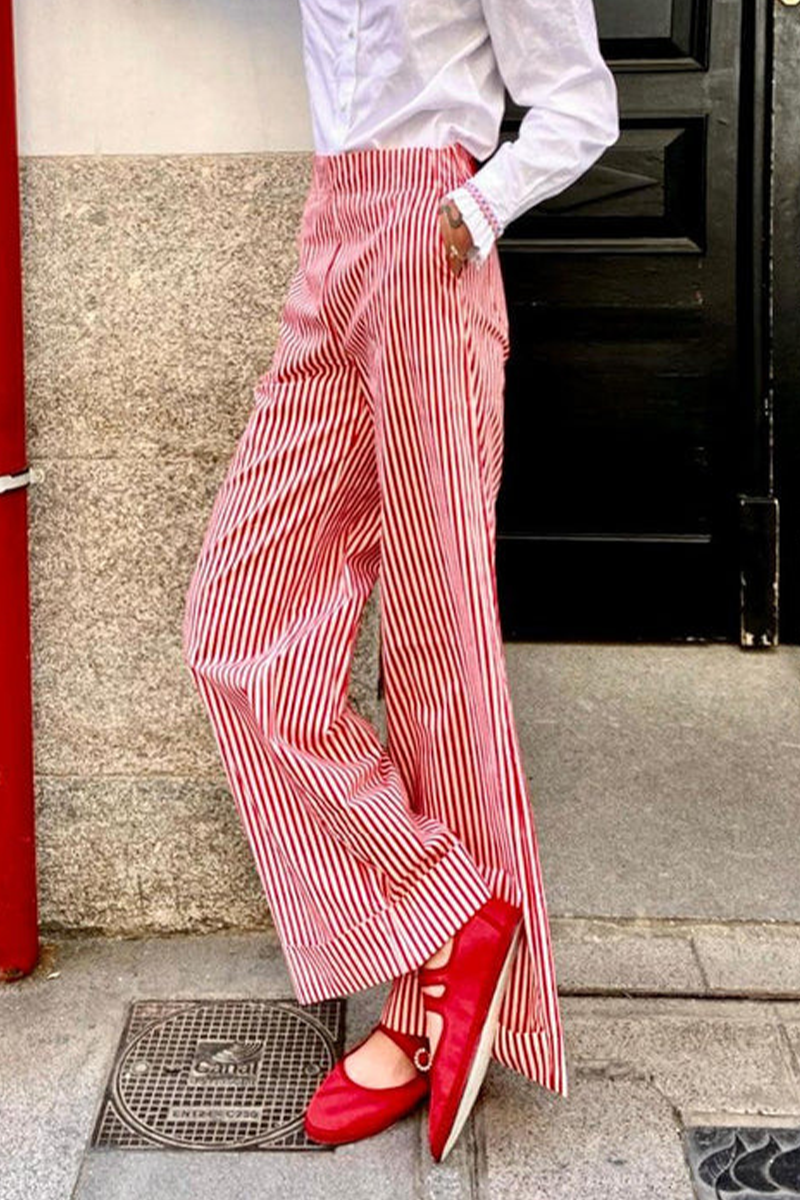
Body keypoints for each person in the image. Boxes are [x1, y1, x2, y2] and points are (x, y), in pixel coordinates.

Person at [181, 0, 619, 1163]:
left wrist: (473, 210)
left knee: (434, 638)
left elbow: (578, 105)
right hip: (329, 228)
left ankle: (423, 1009)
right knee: (234, 624)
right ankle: (448, 909)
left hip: (430, 238)